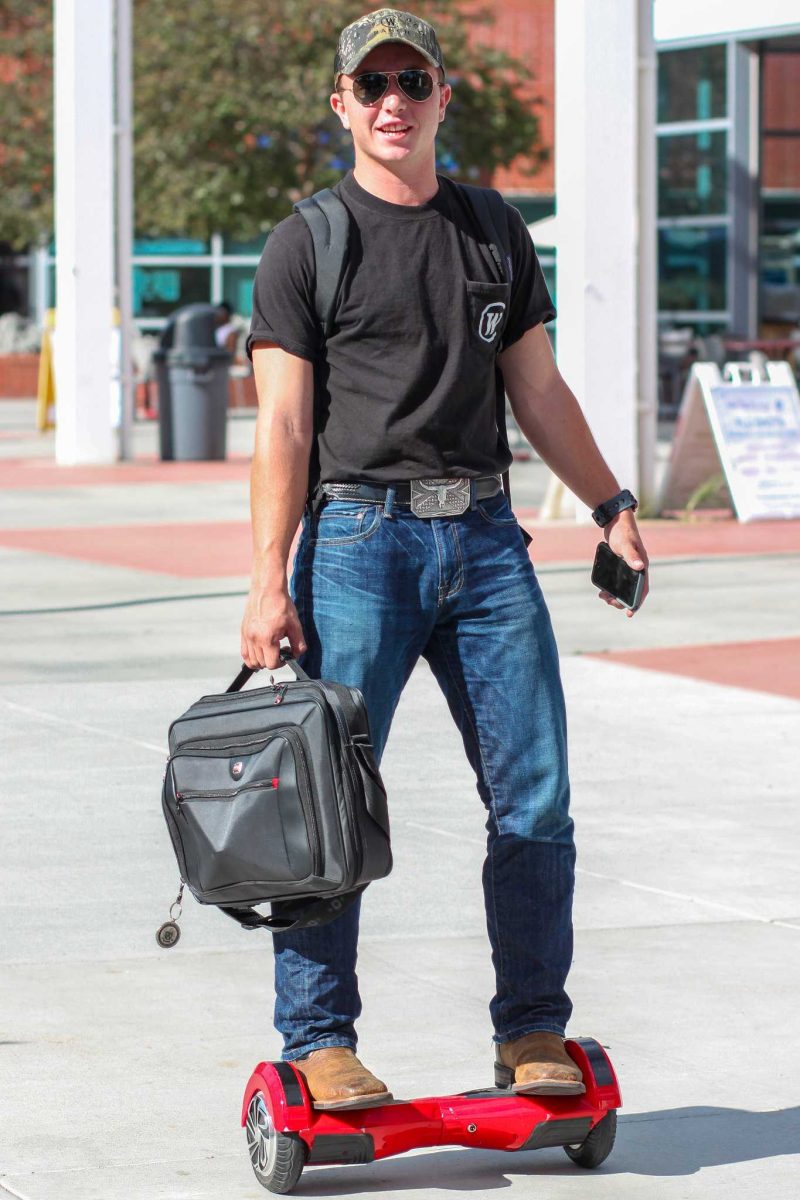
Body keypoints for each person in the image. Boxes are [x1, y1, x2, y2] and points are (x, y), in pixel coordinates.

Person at [242, 7, 649, 1110]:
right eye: (369, 84)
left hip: (482, 544)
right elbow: (280, 427)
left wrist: (610, 503)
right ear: (339, 103)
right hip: (355, 547)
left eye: (410, 82)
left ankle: (531, 1034)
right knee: (326, 799)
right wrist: (267, 579)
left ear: (440, 97)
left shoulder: (491, 231)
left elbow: (538, 389)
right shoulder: (307, 242)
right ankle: (320, 1041)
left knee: (535, 798)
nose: (391, 102)